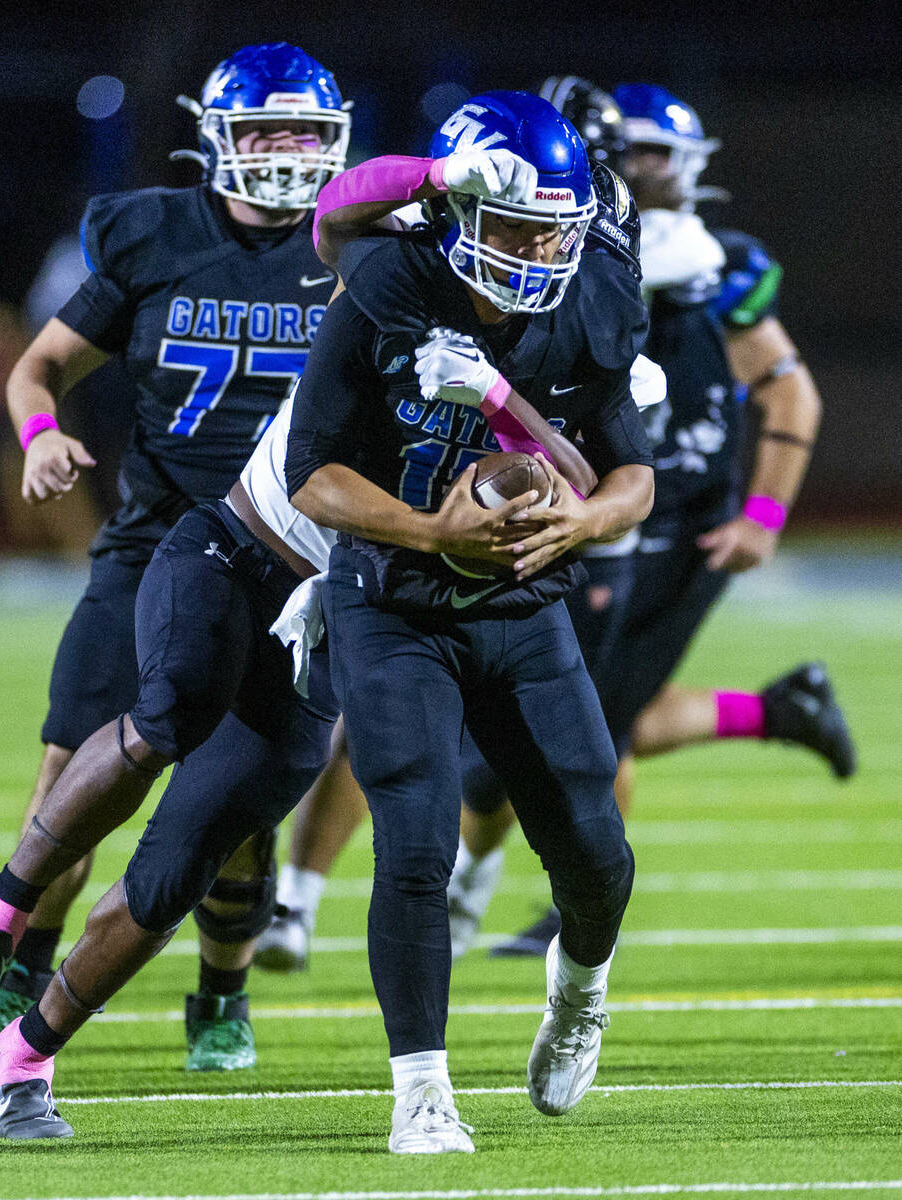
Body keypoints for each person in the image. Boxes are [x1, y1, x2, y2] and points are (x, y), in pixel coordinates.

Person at [0, 41, 351, 1071]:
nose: (286, 154)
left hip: (291, 561)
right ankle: (10, 980)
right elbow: (38, 368)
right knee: (69, 772)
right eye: (264, 132)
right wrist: (38, 436)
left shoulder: (359, 251)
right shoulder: (154, 233)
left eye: (305, 134)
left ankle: (222, 994)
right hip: (154, 540)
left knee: (235, 810)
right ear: (216, 140)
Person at [283, 90, 655, 1152]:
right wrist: (421, 529)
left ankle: (576, 995)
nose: (540, 249)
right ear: (456, 217)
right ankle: (420, 1091)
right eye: (515, 225)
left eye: (556, 228)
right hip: (392, 599)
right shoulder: (389, 286)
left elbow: (632, 475)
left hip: (523, 602)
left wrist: (581, 520)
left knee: (595, 851)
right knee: (413, 840)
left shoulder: (592, 300)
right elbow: (312, 474)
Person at [457, 81, 856, 958]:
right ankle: (778, 712)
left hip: (670, 518)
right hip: (587, 509)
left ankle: (576, 908)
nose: (635, 168)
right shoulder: (541, 247)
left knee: (590, 716)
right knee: (578, 710)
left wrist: (761, 513)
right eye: (623, 151)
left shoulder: (704, 260)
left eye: (648, 152)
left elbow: (789, 389)